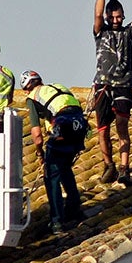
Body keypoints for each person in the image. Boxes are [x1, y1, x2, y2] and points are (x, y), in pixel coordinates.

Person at [92, 0, 132, 185]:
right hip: (103, 86)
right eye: (112, 17)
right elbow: (97, 16)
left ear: (123, 17)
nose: (116, 20)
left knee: (122, 125)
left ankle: (125, 168)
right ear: (107, 17)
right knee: (103, 130)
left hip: (123, 85)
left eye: (119, 17)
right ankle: (109, 164)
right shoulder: (101, 32)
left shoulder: (128, 34)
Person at [21, 70, 86, 235]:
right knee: (65, 169)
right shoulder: (59, 87)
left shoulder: (32, 98)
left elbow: (37, 135)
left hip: (62, 132)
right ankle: (75, 209)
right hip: (78, 130)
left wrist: (39, 153)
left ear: (27, 88)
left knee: (51, 177)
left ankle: (57, 221)